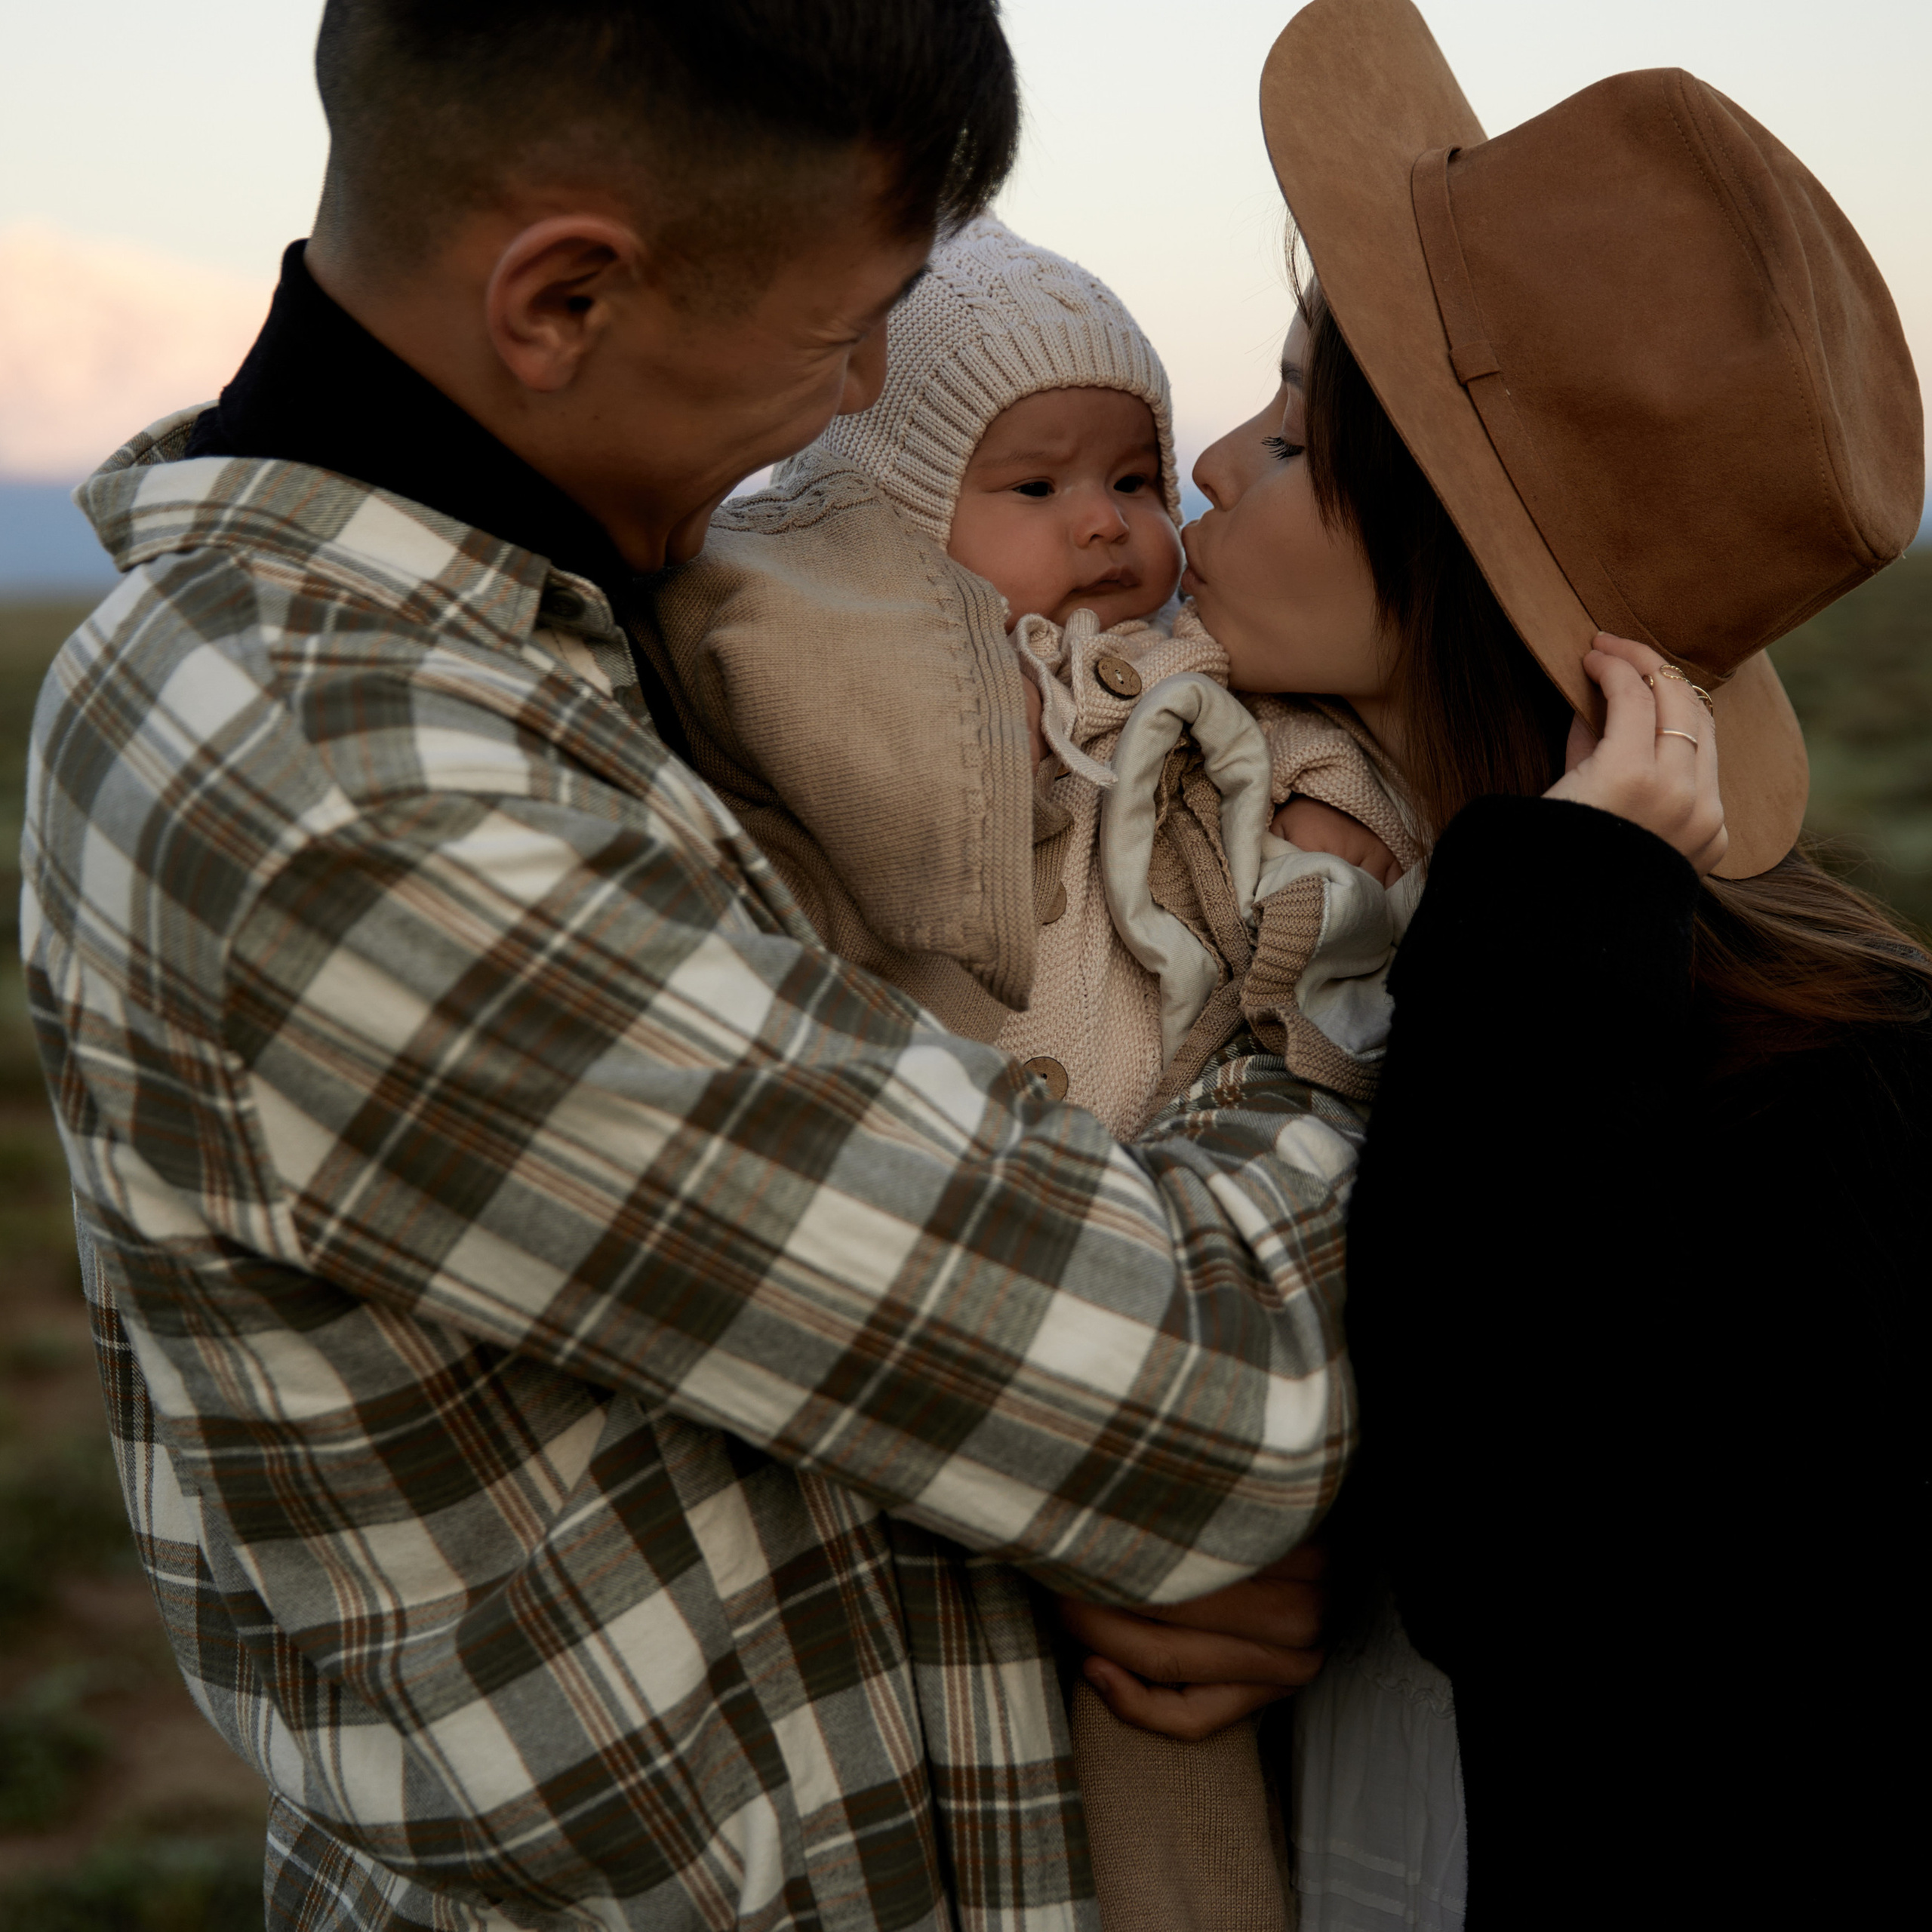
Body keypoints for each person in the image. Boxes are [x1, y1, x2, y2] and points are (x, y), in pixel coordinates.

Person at [20, 5, 1357, 1927]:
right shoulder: (366, 802)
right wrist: (1340, 971)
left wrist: (1075, 1517)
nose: (861, 396)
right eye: (840, 333)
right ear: (560, 299)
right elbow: (1206, 1407)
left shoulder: (534, 626)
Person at [1064, 2, 1925, 1926]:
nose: (1205, 456)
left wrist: (1548, 929)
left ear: (1454, 565)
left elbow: (1529, 1541)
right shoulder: (1283, 894)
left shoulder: (1812, 1078)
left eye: (1293, 435)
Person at [645, 211, 1420, 1932]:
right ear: (898, 520)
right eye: (1033, 488)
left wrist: (1320, 836)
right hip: (964, 1311)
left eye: (1135, 478)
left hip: (1197, 1305)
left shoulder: (1206, 694)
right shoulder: (848, 717)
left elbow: (1322, 820)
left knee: (1177, 1806)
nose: (1112, 521)